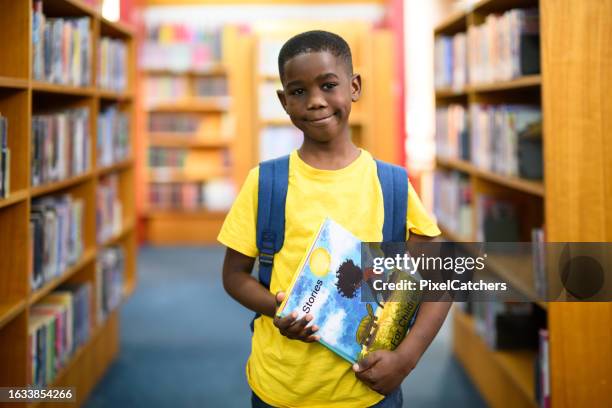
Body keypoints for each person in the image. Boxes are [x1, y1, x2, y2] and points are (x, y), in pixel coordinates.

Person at [219, 30, 451, 408]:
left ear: (354, 86)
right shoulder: (266, 182)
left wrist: (405, 360)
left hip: (366, 391)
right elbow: (233, 275)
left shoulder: (390, 184)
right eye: (297, 92)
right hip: (280, 387)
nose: (315, 102)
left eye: (328, 85)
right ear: (283, 101)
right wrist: (277, 307)